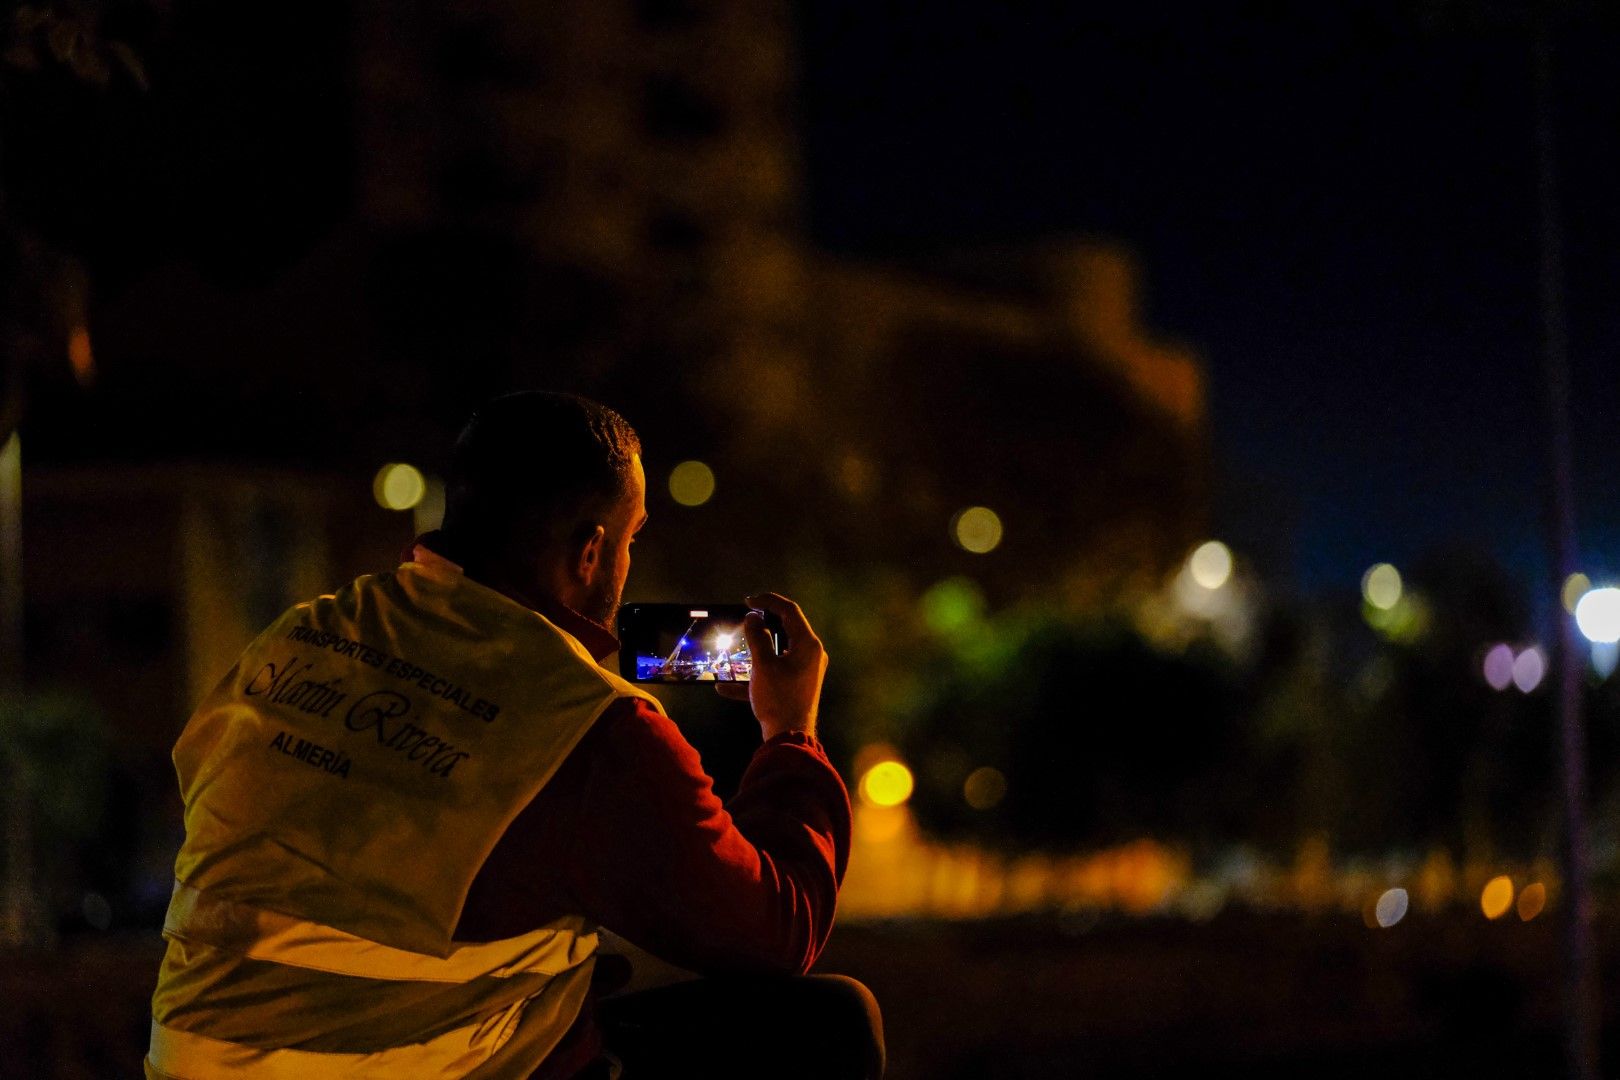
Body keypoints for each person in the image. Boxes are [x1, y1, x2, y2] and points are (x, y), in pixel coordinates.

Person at [145, 391, 883, 1079]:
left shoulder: (304, 635)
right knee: (833, 1021)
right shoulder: (587, 729)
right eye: (631, 538)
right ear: (592, 551)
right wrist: (790, 730)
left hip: (190, 1061)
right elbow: (776, 931)